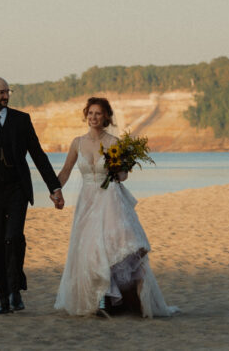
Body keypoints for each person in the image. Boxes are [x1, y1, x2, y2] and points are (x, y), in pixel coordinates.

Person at [53, 96, 177, 317]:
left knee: (109, 250)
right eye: (90, 113)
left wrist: (118, 167)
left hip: (110, 201)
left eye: (98, 114)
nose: (93, 117)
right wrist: (55, 190)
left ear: (107, 117)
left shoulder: (113, 143)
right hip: (87, 203)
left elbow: (122, 176)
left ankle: (114, 302)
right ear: (86, 115)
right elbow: (65, 172)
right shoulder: (77, 142)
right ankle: (100, 303)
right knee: (89, 251)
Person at [0, 76, 65, 314]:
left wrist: (54, 188)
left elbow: (38, 155)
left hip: (17, 189)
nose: (6, 96)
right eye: (1, 92)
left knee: (13, 237)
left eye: (8, 91)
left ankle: (15, 287)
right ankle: (4, 300)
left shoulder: (21, 120)